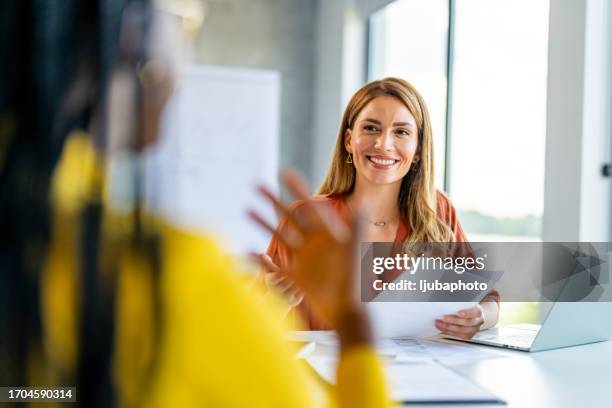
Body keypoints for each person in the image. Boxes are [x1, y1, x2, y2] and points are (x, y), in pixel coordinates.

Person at [264, 77, 499, 339]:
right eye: (371, 128)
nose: (384, 144)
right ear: (348, 140)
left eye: (401, 132)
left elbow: (488, 298)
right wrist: (273, 302)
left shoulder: (437, 211)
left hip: (419, 375)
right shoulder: (306, 218)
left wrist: (480, 317)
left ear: (418, 149)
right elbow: (256, 322)